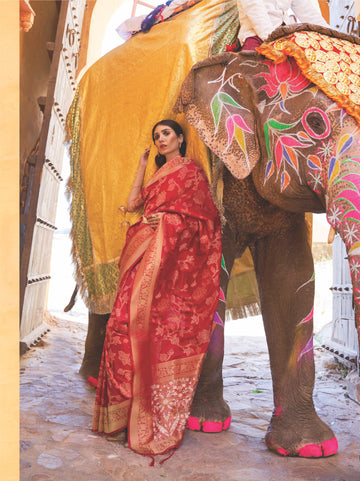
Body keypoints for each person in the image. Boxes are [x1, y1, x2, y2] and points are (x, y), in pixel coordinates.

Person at [92, 119, 222, 461]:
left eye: (166, 134)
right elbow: (134, 203)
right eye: (156, 136)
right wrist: (141, 166)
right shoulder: (158, 174)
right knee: (120, 325)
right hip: (142, 253)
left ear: (180, 138)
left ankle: (145, 418)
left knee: (150, 332)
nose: (161, 139)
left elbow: (204, 221)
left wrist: (165, 221)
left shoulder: (191, 172)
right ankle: (120, 418)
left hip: (167, 263)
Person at [237, 0, 329, 50]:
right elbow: (255, 9)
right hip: (256, 34)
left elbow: (308, 12)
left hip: (285, 32)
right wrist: (271, 37)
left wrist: (330, 33)